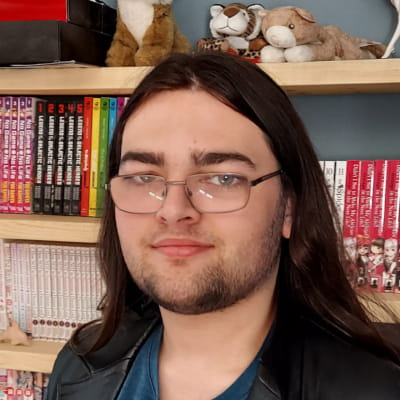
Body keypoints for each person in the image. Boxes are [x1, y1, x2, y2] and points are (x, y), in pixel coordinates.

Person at [46, 52, 400, 399]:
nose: (173, 210)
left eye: (224, 178)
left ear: (289, 208)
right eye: (143, 177)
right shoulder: (79, 364)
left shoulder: (374, 389)